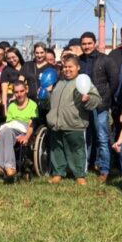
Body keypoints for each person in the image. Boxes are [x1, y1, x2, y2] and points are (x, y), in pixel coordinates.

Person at [43, 55, 101, 185]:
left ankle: (80, 175)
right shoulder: (59, 83)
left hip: (75, 123)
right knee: (56, 150)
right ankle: (58, 173)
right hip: (56, 124)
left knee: (77, 150)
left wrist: (88, 99)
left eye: (70, 67)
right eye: (65, 67)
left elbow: (97, 99)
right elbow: (50, 103)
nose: (67, 69)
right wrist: (46, 95)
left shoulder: (84, 81)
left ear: (78, 67)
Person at [79, 32, 119, 182]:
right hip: (83, 105)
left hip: (100, 104)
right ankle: (87, 165)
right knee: (86, 137)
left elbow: (114, 82)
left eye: (89, 43)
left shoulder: (105, 60)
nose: (86, 46)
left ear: (95, 43)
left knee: (102, 137)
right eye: (84, 44)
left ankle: (105, 169)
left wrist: (104, 101)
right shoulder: (79, 61)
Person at [0, 81, 38, 178]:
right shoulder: (12, 106)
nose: (19, 94)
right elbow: (8, 123)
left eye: (21, 91)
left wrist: (27, 137)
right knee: (4, 131)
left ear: (26, 90)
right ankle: (4, 167)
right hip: (11, 128)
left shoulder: (33, 105)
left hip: (24, 128)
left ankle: (8, 166)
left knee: (5, 131)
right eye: (16, 92)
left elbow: (32, 124)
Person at [0, 47, 25, 116]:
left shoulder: (26, 67)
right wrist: (5, 110)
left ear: (19, 56)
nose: (11, 60)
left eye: (13, 57)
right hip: (12, 103)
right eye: (9, 58)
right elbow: (4, 92)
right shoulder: (6, 71)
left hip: (26, 103)